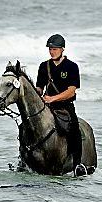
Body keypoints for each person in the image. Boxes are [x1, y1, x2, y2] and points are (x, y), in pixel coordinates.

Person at [35, 33, 85, 176]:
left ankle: (77, 164)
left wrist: (52, 98)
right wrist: (33, 93)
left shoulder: (72, 67)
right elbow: (40, 88)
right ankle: (24, 158)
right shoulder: (44, 66)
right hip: (47, 107)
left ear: (62, 49)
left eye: (55, 49)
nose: (52, 52)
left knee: (75, 129)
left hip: (65, 106)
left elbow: (71, 91)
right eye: (50, 49)